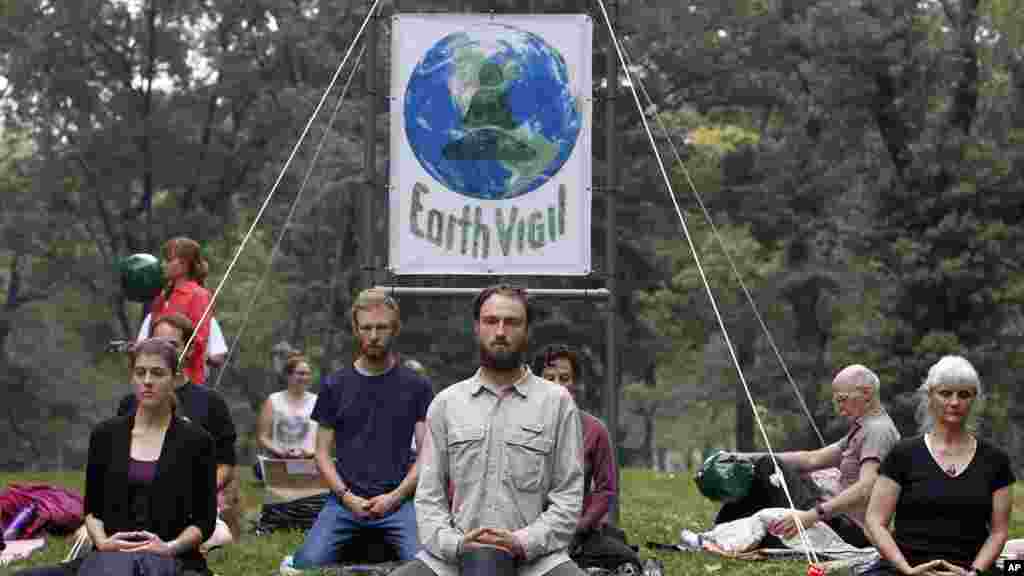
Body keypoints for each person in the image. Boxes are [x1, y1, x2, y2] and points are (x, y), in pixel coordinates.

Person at [391, 284, 586, 576]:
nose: (500, 331)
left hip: (537, 560)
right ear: (477, 327)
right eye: (491, 321)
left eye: (512, 322)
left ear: (527, 331)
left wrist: (522, 542)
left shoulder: (557, 403)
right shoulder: (446, 404)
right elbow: (429, 497)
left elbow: (568, 498)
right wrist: (455, 544)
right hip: (455, 556)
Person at [15, 338, 217, 576]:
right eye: (140, 373)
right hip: (108, 561)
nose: (147, 381)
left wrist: (169, 547)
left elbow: (204, 521)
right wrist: (102, 542)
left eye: (157, 373)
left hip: (174, 562)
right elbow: (92, 510)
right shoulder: (105, 435)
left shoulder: (197, 441)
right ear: (132, 377)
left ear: (174, 379)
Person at [279, 289, 433, 574]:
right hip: (344, 502)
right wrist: (347, 497)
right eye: (366, 328)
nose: (373, 336)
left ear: (395, 329)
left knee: (426, 565)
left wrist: (395, 497)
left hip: (399, 501)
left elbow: (427, 453)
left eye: (381, 327)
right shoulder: (334, 385)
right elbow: (321, 453)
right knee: (306, 564)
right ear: (356, 329)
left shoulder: (417, 385)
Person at [682, 364, 900, 552]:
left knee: (769, 468)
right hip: (837, 517)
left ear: (867, 393)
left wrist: (812, 515)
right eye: (837, 402)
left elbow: (866, 488)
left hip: (851, 531)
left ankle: (714, 538)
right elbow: (811, 459)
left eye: (843, 400)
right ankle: (717, 535)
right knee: (770, 467)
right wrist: (743, 457)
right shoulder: (863, 428)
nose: (840, 409)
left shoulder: (878, 431)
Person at [863, 356, 1014, 576]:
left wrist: (973, 573)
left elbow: (999, 532)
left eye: (964, 395)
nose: (954, 402)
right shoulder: (903, 454)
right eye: (945, 393)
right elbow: (875, 521)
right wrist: (906, 569)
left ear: (974, 399)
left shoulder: (995, 460)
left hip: (970, 570)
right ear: (930, 396)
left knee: (1015, 570)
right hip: (905, 569)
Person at [118, 313, 240, 549]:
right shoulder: (130, 403)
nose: (164, 352)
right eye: (157, 344)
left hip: (192, 506)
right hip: (136, 502)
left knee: (219, 536)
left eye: (172, 345)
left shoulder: (211, 402)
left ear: (190, 349)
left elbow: (225, 464)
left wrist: (202, 492)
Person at [532, 344, 640, 573]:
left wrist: (580, 527)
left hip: (579, 533)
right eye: (549, 378)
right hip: (530, 531)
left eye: (564, 378)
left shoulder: (594, 430)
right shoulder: (521, 426)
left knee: (628, 560)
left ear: (576, 384)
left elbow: (606, 490)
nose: (557, 385)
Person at [150, 237, 213, 385]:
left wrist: (168, 353)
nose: (162, 264)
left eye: (168, 260)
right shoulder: (162, 296)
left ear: (184, 264)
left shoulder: (198, 295)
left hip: (186, 381)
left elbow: (198, 341)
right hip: (159, 381)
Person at [258, 352, 318, 460]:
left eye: (308, 374)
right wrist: (281, 452)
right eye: (301, 373)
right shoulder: (273, 400)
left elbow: (327, 438)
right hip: (280, 461)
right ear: (288, 375)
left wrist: (310, 453)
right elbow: (263, 437)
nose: (305, 377)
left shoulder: (317, 401)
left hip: (310, 462)